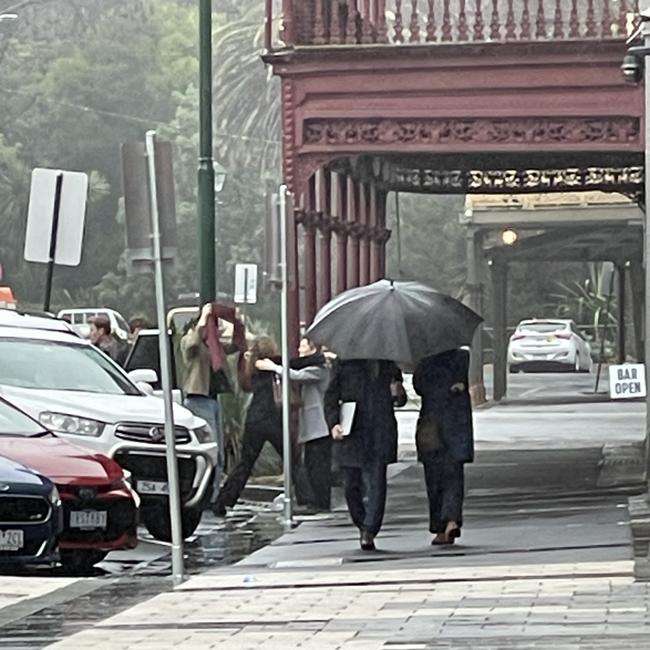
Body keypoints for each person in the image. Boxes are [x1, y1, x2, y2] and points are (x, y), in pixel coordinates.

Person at [214, 336, 306, 515]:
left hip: (254, 419)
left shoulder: (253, 367)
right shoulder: (272, 364)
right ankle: (307, 497)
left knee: (245, 463)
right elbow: (294, 363)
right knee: (292, 458)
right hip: (272, 418)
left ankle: (224, 501)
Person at [324, 359, 406, 551]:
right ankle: (361, 522)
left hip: (379, 428)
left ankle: (369, 529)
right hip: (352, 428)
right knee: (350, 484)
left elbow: (399, 398)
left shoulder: (387, 363)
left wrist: (398, 393)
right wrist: (333, 422)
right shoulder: (344, 363)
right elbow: (331, 396)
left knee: (376, 481)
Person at [256, 337, 332, 511]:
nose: (299, 349)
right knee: (313, 463)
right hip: (314, 424)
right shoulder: (316, 366)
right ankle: (317, 500)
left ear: (312, 349)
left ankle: (321, 501)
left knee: (318, 465)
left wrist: (274, 367)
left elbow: (296, 375)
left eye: (302, 346)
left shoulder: (319, 369)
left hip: (320, 424)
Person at [180, 303, 246, 503]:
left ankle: (214, 493)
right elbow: (191, 345)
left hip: (212, 399)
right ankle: (206, 493)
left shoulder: (213, 346)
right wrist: (203, 320)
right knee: (208, 449)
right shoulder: (191, 342)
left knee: (218, 452)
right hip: (198, 398)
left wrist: (237, 323)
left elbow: (234, 347)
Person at [413, 349, 474, 545]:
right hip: (456, 423)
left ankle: (440, 527)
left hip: (432, 424)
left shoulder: (425, 361)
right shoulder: (461, 358)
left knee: (434, 479)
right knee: (453, 476)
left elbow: (419, 387)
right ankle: (451, 520)